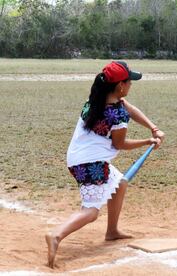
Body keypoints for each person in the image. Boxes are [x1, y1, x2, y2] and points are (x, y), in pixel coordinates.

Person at [45, 61, 165, 268]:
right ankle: (56, 235)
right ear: (120, 86)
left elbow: (130, 108)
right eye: (129, 82)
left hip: (77, 158)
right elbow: (120, 144)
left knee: (120, 183)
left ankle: (112, 231)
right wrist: (148, 142)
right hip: (90, 163)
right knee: (91, 211)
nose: (131, 85)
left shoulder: (97, 100)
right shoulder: (117, 115)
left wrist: (153, 128)